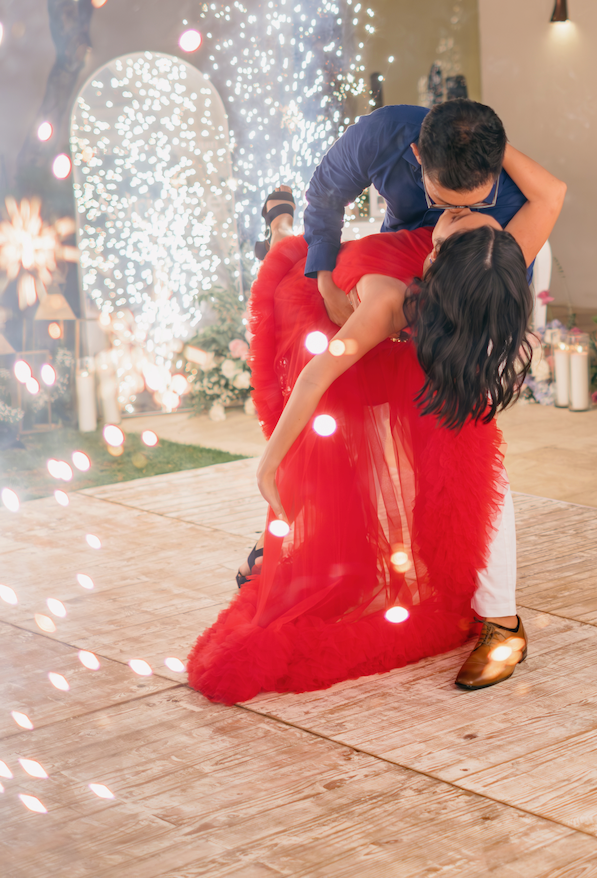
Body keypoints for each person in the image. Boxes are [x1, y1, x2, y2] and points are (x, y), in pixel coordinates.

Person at [187, 145, 566, 703]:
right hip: (322, 303)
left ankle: (499, 619)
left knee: (468, 452)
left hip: (402, 320)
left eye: (465, 220)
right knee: (289, 256)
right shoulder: (414, 283)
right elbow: (316, 377)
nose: (457, 214)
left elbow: (549, 197)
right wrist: (271, 464)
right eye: (459, 212)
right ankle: (281, 220)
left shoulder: (484, 259)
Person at [301, 99, 531, 327]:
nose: (456, 212)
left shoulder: (511, 194)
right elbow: (324, 195)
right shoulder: (381, 132)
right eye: (441, 201)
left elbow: (497, 291)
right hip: (386, 264)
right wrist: (325, 282)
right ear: (418, 153)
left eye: (478, 204)